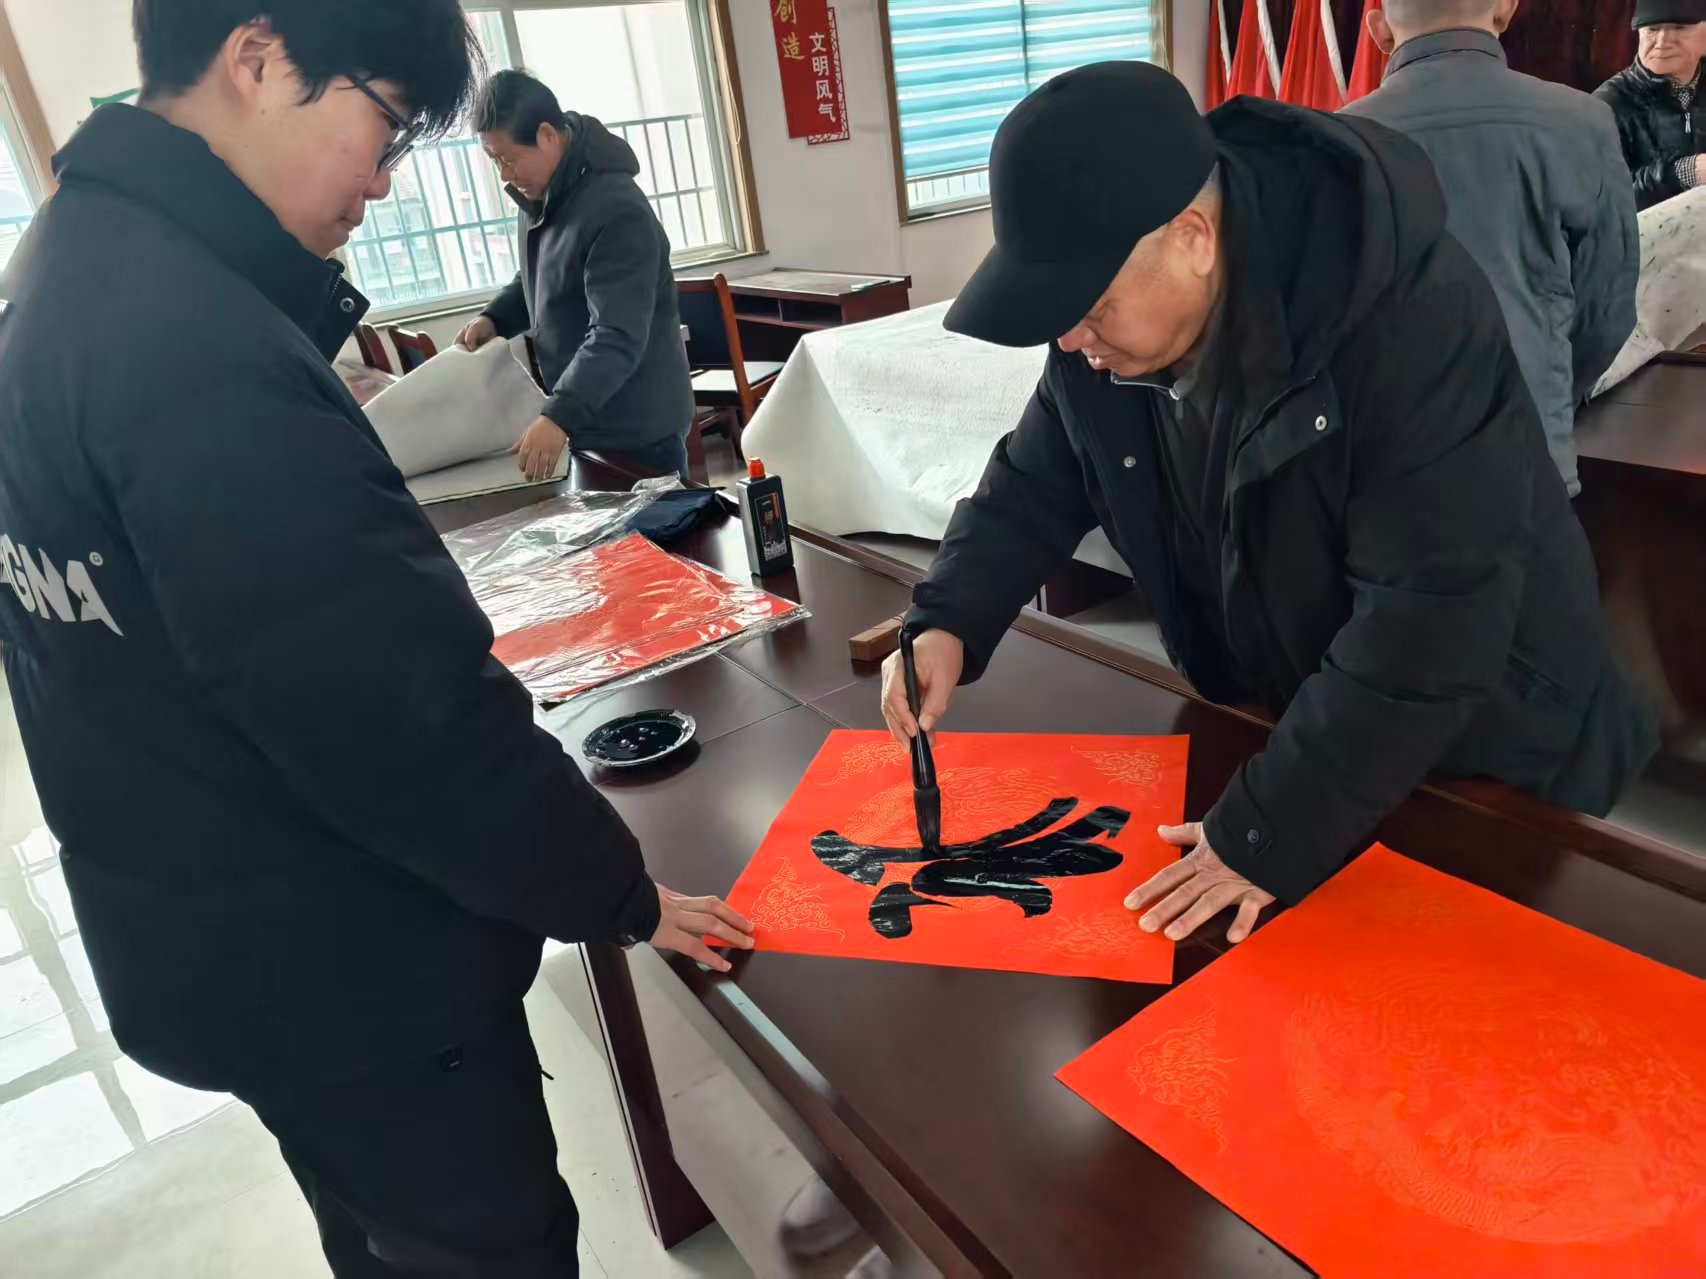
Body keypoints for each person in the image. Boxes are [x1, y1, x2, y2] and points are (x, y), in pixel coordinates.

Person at [0, 3, 751, 1275]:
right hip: (347, 967)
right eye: (387, 126)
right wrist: (618, 895)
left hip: (214, 936)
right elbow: (407, 718)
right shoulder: (193, 348)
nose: (386, 180)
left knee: (376, 1232)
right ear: (257, 60)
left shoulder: (61, 269)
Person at [881, 62, 1657, 946]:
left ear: (1192, 236)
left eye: (1090, 306)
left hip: (1489, 742)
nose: (1068, 338)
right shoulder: (1103, 346)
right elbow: (1034, 482)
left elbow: (1431, 618)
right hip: (1321, 721)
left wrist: (1266, 828)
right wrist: (946, 617)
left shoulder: (1407, 314)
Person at [1343, 0, 1638, 498]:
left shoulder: (1336, 141)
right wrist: (1548, 389)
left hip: (1382, 471)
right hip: (1527, 460)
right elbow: (1607, 310)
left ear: (1379, 29)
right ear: (1505, 9)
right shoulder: (1582, 121)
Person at [457, 70, 694, 481]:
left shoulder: (617, 210)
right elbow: (540, 276)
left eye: (508, 159)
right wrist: (493, 318)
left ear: (547, 136)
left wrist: (558, 416)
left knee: (658, 524)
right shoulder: (545, 194)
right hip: (589, 423)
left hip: (638, 431)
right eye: (494, 161)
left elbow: (616, 334)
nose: (504, 175)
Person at [1596, 1, 1706, 211]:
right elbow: (1597, 201)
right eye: (1652, 29)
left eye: (1680, 28)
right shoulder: (1606, 106)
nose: (1662, 42)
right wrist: (1683, 174)